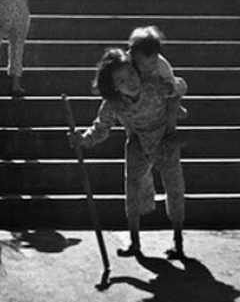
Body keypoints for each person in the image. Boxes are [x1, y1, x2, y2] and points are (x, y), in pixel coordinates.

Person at [71, 48, 187, 260]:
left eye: (132, 74)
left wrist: (175, 90)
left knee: (175, 188)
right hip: (138, 142)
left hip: (165, 139)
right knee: (132, 189)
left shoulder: (154, 88)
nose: (130, 82)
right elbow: (100, 127)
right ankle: (134, 242)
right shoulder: (113, 104)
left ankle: (178, 242)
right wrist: (83, 139)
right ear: (114, 87)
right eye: (122, 80)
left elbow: (179, 87)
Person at [127, 25, 188, 132]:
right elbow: (114, 72)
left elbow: (169, 78)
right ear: (133, 55)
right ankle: (132, 133)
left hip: (158, 92)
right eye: (141, 63)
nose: (148, 67)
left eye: (152, 63)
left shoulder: (161, 64)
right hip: (138, 95)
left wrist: (169, 88)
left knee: (179, 86)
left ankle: (171, 130)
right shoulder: (127, 62)